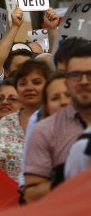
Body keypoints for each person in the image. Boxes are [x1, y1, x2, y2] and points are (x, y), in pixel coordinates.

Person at [23, 43, 91, 202]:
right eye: (76, 75)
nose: (84, 81)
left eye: (90, 74)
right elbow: (31, 195)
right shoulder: (44, 130)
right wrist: (62, 180)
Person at [0, 60, 50, 182]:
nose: (29, 87)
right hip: (7, 196)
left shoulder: (56, 120)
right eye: (23, 83)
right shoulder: (5, 123)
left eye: (37, 82)